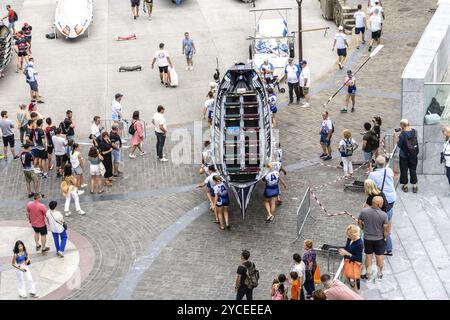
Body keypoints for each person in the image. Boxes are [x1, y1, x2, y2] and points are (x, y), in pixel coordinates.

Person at [369, 156, 396, 256]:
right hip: (391, 198)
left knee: (382, 225)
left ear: (376, 163)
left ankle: (385, 246)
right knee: (388, 220)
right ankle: (389, 243)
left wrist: (371, 171)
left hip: (382, 200)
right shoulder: (389, 171)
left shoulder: (373, 174)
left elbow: (369, 184)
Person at [358, 196, 388, 281]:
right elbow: (385, 228)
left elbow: (359, 221)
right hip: (379, 239)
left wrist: (362, 228)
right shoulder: (384, 215)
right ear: (379, 204)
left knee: (368, 257)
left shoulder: (364, 211)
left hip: (367, 238)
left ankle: (368, 275)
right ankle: (379, 274)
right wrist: (385, 237)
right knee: (379, 257)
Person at [338, 224, 363, 291]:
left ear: (353, 235)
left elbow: (358, 258)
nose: (348, 237)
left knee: (355, 280)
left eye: (349, 235)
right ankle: (352, 283)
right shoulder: (350, 239)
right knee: (349, 277)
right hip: (348, 262)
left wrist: (346, 253)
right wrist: (343, 251)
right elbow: (347, 248)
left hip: (354, 265)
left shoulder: (359, 244)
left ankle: (357, 293)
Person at [396, 119, 419, 193]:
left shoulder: (402, 134)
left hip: (404, 155)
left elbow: (399, 145)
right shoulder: (414, 131)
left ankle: (405, 186)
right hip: (413, 154)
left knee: (404, 170)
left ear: (402, 125)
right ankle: (414, 186)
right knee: (413, 170)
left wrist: (396, 137)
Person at [442, 125, 450, 196]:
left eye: (444, 132)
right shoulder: (447, 138)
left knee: (449, 175)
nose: (443, 133)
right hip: (447, 161)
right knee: (448, 175)